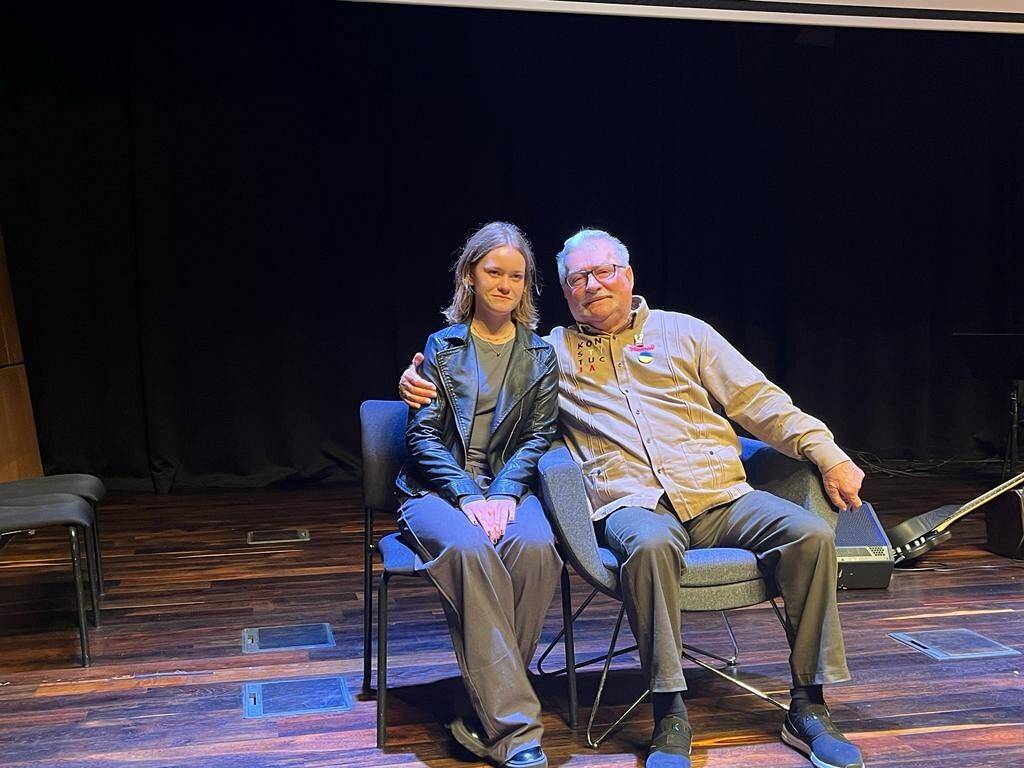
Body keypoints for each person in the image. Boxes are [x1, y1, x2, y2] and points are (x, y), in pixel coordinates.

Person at [401, 229, 867, 768]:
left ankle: (808, 706)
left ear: (629, 275)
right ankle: (670, 713)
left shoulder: (685, 332)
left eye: (603, 272)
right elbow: (482, 374)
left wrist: (827, 452)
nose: (592, 285)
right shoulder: (551, 353)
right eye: (578, 278)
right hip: (632, 504)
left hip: (718, 493)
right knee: (648, 546)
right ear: (564, 292)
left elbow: (758, 400)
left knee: (809, 534)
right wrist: (414, 380)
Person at [394, 221, 562, 768]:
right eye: (494, 272)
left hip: (507, 488)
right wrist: (468, 494)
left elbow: (539, 435)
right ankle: (515, 731)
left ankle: (479, 707)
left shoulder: (541, 354)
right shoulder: (440, 347)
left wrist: (505, 493)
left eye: (516, 276)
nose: (505, 284)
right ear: (470, 275)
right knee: (470, 551)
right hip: (437, 490)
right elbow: (422, 437)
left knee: (536, 549)